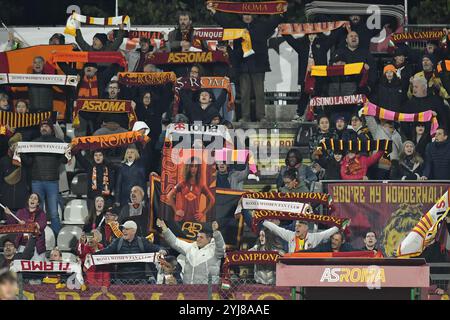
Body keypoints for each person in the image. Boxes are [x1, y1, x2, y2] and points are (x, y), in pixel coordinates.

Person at [207, 2, 285, 122]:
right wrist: (213, 11)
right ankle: (245, 117)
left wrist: (281, 13)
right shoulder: (237, 26)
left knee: (259, 93)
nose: (247, 16)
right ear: (241, 15)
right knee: (244, 93)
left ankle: (261, 116)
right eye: (244, 14)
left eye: (249, 14)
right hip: (243, 64)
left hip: (259, 64)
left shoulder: (261, 25)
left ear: (254, 14)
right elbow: (224, 22)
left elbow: (273, 22)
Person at [20, 120, 69, 235]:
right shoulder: (34, 143)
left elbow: (64, 160)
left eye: (46, 126)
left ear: (51, 129)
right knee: (37, 212)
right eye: (42, 126)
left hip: (52, 182)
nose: (44, 128)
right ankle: (37, 236)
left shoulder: (58, 143)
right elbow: (28, 162)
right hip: (36, 181)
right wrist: (21, 152)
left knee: (53, 213)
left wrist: (68, 152)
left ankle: (56, 239)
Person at [91, 220, 164, 283]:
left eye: (127, 229)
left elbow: (155, 248)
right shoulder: (118, 242)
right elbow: (106, 251)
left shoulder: (142, 242)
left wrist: (162, 250)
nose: (123, 231)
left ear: (134, 231)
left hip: (140, 283)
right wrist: (93, 254)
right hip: (121, 283)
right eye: (123, 229)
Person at [158, 218, 225, 284]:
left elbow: (220, 247)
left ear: (209, 239)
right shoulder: (191, 247)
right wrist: (164, 228)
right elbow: (175, 242)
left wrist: (216, 232)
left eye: (201, 237)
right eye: (197, 237)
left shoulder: (214, 250)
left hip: (208, 291)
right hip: (188, 290)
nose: (198, 239)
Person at [4, 193, 46, 261]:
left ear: (38, 203)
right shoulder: (21, 212)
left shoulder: (41, 213)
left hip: (37, 247)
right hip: (23, 245)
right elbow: (11, 224)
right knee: (19, 265)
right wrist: (9, 215)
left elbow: (40, 226)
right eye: (31, 197)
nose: (32, 199)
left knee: (37, 268)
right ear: (28, 200)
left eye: (35, 198)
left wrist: (25, 224)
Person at [262, 219, 342, 252]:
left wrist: (341, 224)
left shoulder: (314, 237)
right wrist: (263, 221)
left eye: (299, 226)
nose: (296, 228)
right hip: (292, 267)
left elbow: (327, 233)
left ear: (306, 228)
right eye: (296, 226)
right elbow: (276, 229)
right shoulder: (290, 235)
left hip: (307, 267)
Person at [0, 134, 29, 220]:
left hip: (22, 199)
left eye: (17, 145)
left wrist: (21, 154)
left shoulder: (24, 160)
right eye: (13, 145)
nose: (14, 147)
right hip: (6, 200)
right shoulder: (3, 160)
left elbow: (29, 163)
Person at [365, 116, 403, 180]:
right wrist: (367, 108)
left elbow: (401, 150)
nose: (391, 125)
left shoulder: (397, 135)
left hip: (394, 166)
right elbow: (370, 120)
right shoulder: (378, 130)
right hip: (379, 165)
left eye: (392, 125)